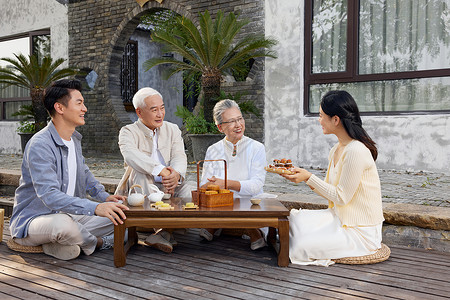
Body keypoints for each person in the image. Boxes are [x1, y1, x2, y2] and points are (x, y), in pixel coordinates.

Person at [9, 79, 128, 261]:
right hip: (36, 221)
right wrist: (95, 207)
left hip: (70, 215)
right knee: (64, 225)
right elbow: (49, 195)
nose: (84, 109)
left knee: (122, 216)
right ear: (60, 108)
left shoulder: (74, 140)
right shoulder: (40, 145)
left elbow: (84, 172)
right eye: (79, 103)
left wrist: (104, 198)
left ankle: (61, 244)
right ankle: (98, 243)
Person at [281, 90, 384, 266]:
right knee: (293, 221)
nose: (319, 120)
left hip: (359, 231)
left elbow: (341, 197)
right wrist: (303, 177)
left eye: (321, 116)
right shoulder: (336, 149)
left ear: (335, 120)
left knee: (300, 245)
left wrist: (308, 178)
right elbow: (331, 192)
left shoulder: (355, 151)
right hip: (339, 218)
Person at [115, 87, 194, 253]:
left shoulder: (172, 129)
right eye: (154, 110)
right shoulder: (128, 131)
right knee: (139, 172)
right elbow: (131, 156)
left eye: (162, 108)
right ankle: (161, 230)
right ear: (139, 112)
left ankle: (164, 232)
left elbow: (180, 155)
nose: (160, 114)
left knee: (192, 189)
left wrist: (176, 175)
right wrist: (162, 171)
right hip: (144, 188)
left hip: (170, 187)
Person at [199, 99, 267, 250]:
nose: (238, 125)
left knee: (250, 201)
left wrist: (226, 183)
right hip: (221, 203)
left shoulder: (257, 148)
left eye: (240, 119)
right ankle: (226, 226)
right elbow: (204, 184)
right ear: (220, 127)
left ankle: (248, 229)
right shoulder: (213, 149)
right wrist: (212, 185)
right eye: (231, 121)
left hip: (249, 203)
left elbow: (256, 186)